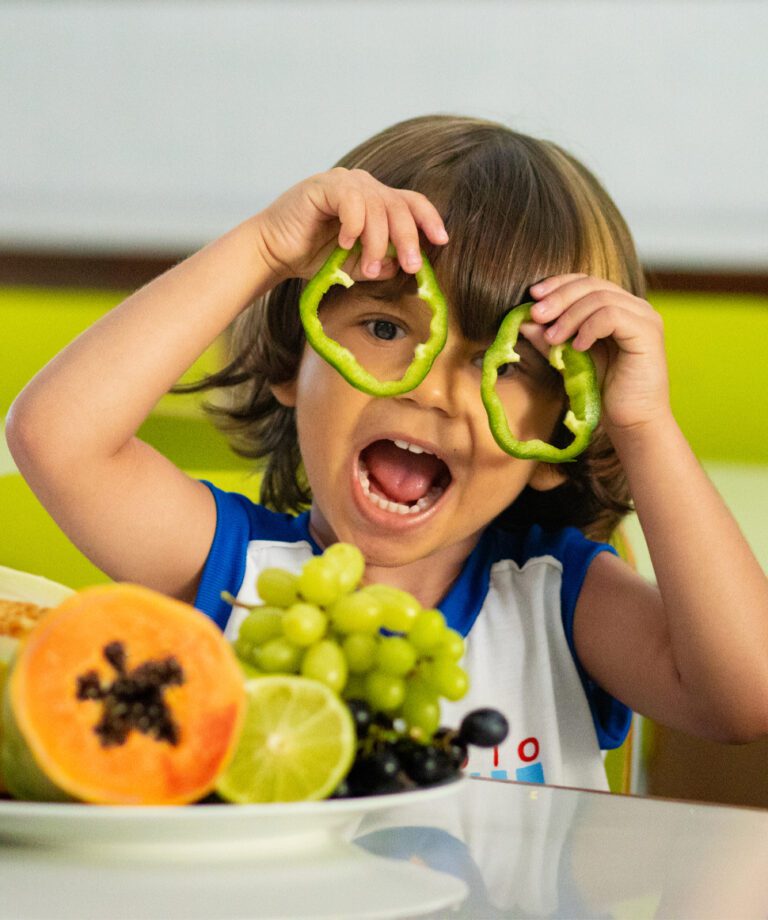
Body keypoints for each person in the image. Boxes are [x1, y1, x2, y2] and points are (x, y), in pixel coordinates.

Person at [7, 115, 768, 790]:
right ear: (287, 363)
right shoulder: (236, 572)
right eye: (383, 329)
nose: (432, 391)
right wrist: (267, 248)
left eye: (508, 367)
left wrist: (643, 426)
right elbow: (57, 438)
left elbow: (746, 696)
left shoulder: (558, 600)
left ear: (554, 443)